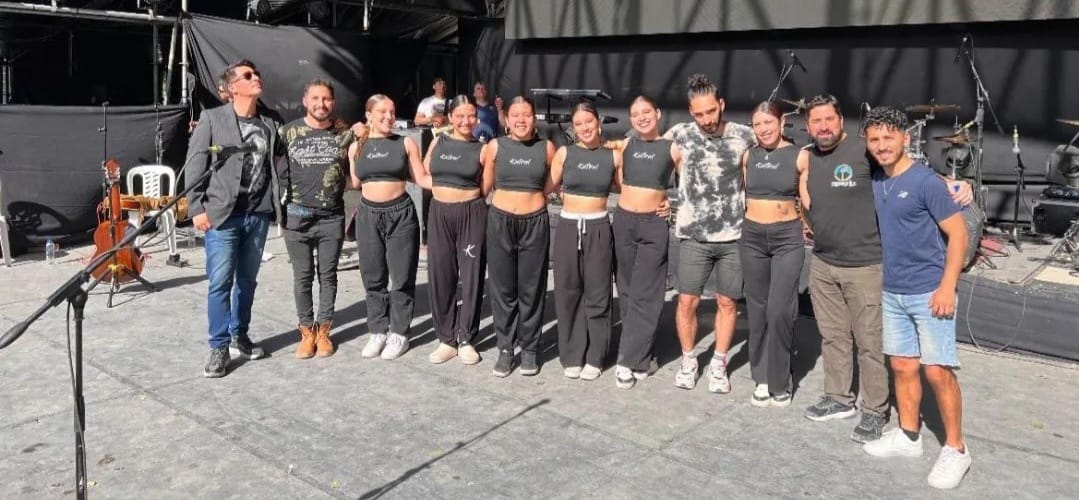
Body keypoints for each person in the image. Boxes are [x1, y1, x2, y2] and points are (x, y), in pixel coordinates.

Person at [800, 94, 972, 443]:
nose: (824, 126)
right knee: (833, 337)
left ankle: (875, 409)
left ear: (841, 120)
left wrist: (955, 184)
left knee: (870, 343)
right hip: (823, 262)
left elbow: (908, 173)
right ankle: (838, 397)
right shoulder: (807, 156)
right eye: (816, 121)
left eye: (829, 119)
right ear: (808, 126)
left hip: (865, 266)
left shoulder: (865, 150)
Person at [859, 106, 971, 489]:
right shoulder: (878, 180)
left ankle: (956, 448)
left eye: (888, 138)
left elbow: (959, 234)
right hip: (894, 292)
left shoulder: (926, 182)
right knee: (903, 366)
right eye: (874, 139)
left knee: (937, 371)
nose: (881, 145)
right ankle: (908, 435)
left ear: (906, 139)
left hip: (929, 292)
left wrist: (947, 286)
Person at [185, 59, 283, 378]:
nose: (256, 78)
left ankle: (240, 334)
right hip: (222, 215)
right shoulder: (212, 118)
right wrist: (196, 208)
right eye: (248, 75)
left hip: (257, 214)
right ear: (232, 87)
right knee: (220, 282)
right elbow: (195, 164)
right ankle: (218, 346)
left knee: (247, 281)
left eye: (257, 73)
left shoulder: (270, 121)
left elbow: (283, 156)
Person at [663, 74, 755, 393]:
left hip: (733, 237)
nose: (706, 119)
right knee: (686, 301)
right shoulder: (680, 134)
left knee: (727, 303)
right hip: (694, 237)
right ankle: (689, 360)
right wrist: (658, 198)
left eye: (711, 111)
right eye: (699, 113)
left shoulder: (744, 136)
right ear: (691, 111)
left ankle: (718, 363)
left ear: (722, 105)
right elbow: (646, 158)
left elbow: (767, 167)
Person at [277, 79, 358, 359]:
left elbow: (357, 169)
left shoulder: (345, 133)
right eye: (315, 98)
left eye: (326, 99)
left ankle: (324, 332)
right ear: (305, 101)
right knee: (302, 277)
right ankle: (306, 332)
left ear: (333, 102)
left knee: (328, 276)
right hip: (297, 217)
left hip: (331, 218)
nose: (321, 104)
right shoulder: (286, 133)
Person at [348, 94, 431, 360]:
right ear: (368, 115)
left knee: (402, 275)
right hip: (368, 215)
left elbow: (421, 178)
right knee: (372, 275)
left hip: (400, 215)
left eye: (392, 112)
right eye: (382, 112)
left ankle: (399, 333)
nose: (389, 117)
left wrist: (455, 185)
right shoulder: (355, 147)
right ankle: (377, 331)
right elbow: (355, 182)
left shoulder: (405, 143)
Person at [609, 96, 682, 389]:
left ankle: (626, 360)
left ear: (658, 113)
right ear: (630, 119)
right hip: (624, 222)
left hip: (653, 224)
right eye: (636, 114)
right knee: (627, 289)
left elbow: (691, 184)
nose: (642, 117)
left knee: (647, 293)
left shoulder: (672, 148)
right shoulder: (625, 145)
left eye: (646, 112)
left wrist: (671, 202)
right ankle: (642, 355)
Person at [481, 96, 557, 377]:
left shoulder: (546, 148)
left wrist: (536, 197)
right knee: (503, 289)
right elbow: (484, 187)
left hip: (534, 224)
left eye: (526, 114)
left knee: (531, 289)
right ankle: (505, 348)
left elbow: (553, 182)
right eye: (515, 115)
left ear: (534, 118)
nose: (521, 120)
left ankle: (529, 348)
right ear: (507, 119)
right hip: (500, 222)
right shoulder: (495, 146)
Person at [739, 101, 806, 407]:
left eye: (768, 122)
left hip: (786, 238)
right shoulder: (748, 156)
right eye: (757, 124)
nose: (763, 129)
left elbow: (809, 199)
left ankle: (780, 378)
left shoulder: (799, 155)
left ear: (781, 122)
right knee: (757, 308)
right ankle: (762, 376)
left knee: (779, 309)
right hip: (752, 236)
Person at [548, 102, 619, 380]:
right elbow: (547, 185)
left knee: (598, 293)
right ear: (573, 128)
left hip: (598, 227)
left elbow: (629, 187)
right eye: (578, 124)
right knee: (568, 292)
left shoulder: (613, 156)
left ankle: (596, 356)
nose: (585, 127)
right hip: (568, 227)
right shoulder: (564, 153)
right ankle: (572, 354)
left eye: (589, 121)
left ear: (598, 122)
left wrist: (661, 201)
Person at [422, 95, 492, 365]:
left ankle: (466, 338)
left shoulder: (483, 149)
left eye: (471, 115)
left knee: (472, 276)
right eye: (460, 116)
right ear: (450, 117)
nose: (466, 121)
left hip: (471, 214)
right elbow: (426, 170)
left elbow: (485, 188)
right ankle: (446, 338)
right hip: (439, 213)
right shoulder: (438, 142)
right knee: (441, 274)